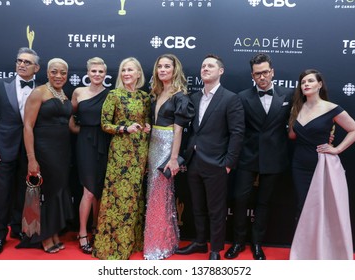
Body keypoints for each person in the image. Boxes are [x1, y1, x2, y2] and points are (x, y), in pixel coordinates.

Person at [225, 53, 294, 260]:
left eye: (265, 72)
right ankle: (238, 242)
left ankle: (257, 244)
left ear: (272, 72)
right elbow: (236, 129)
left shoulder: (288, 95)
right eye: (257, 74)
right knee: (240, 200)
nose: (262, 77)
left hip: (274, 156)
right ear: (252, 76)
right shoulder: (242, 96)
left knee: (264, 202)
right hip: (247, 155)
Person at [175, 54, 245, 260]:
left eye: (210, 66)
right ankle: (199, 242)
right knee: (196, 206)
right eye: (203, 65)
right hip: (193, 160)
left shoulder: (231, 98)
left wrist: (228, 164)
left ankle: (215, 249)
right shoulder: (194, 97)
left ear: (220, 71)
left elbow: (237, 133)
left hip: (217, 163)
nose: (205, 68)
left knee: (216, 209)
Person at [288, 69, 355, 259]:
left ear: (319, 85)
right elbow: (292, 136)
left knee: (322, 207)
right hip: (299, 164)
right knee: (303, 206)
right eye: (303, 81)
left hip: (321, 165)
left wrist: (337, 149)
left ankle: (323, 253)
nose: (306, 84)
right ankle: (303, 253)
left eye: (310, 81)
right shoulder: (297, 108)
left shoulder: (332, 108)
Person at [0, 47, 41, 256]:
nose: (22, 64)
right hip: (4, 149)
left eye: (27, 62)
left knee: (23, 194)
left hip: (29, 152)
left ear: (37, 68)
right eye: (19, 61)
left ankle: (18, 229)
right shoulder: (0, 85)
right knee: (1, 195)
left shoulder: (42, 89)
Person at [92, 57, 151, 260]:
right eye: (123, 70)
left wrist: (146, 127)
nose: (126, 73)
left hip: (140, 152)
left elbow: (147, 123)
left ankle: (132, 242)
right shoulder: (114, 95)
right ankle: (112, 246)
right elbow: (105, 124)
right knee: (116, 198)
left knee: (134, 197)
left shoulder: (145, 97)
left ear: (138, 74)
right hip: (119, 153)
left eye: (130, 70)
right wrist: (124, 128)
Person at [143, 54, 195, 260]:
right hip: (153, 144)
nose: (163, 70)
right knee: (154, 194)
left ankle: (159, 245)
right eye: (160, 67)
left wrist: (173, 158)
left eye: (167, 66)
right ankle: (165, 240)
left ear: (175, 70)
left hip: (167, 146)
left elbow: (178, 130)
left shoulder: (180, 96)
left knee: (160, 194)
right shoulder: (156, 93)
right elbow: (156, 121)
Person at [23, 58, 74, 253]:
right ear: (47, 73)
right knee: (48, 193)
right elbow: (28, 126)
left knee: (57, 192)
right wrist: (31, 158)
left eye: (63, 72)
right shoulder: (39, 92)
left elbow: (69, 125)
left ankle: (52, 232)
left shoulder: (63, 94)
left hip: (63, 151)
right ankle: (43, 237)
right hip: (44, 150)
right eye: (54, 72)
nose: (59, 76)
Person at [69, 57, 111, 254]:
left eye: (100, 72)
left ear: (105, 74)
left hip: (105, 142)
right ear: (88, 73)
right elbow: (71, 117)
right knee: (89, 191)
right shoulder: (79, 92)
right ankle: (83, 232)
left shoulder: (111, 94)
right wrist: (82, 132)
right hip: (85, 143)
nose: (97, 75)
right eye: (93, 71)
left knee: (99, 189)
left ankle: (97, 228)